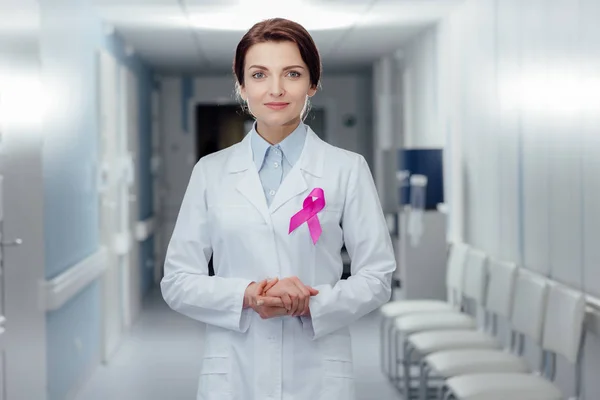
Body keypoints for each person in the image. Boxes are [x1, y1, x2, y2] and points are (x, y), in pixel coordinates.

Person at [160, 17, 396, 400]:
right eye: (258, 74)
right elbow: (177, 281)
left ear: (312, 84)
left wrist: (311, 303)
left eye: (292, 73)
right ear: (241, 85)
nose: (275, 89)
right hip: (234, 369)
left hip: (317, 369)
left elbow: (377, 276)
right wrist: (248, 295)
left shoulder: (346, 169)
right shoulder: (210, 172)